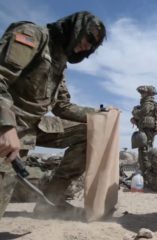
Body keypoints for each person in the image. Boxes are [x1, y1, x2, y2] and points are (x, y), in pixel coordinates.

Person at [0, 11, 106, 218]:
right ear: (76, 28)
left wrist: (100, 115)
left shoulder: (59, 61)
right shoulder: (32, 35)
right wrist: (5, 126)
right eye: (89, 38)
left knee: (90, 132)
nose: (88, 46)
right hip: (9, 125)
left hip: (33, 126)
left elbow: (62, 107)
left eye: (94, 46)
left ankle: (50, 202)